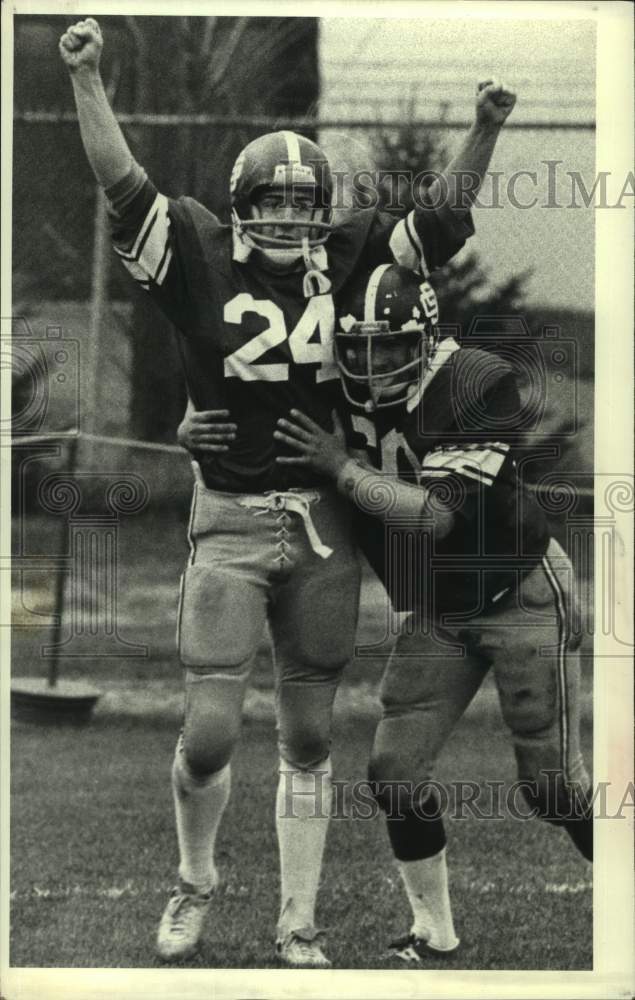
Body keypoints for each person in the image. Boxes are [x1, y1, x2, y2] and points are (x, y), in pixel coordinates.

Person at [59, 16, 517, 966]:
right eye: (269, 201)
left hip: (321, 526)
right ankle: (195, 881)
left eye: (303, 202)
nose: (286, 217)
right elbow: (120, 179)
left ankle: (296, 921)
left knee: (310, 732)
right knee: (211, 734)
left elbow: (434, 220)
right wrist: (88, 75)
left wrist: (483, 129)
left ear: (325, 209)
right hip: (227, 517)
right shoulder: (193, 248)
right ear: (239, 205)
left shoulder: (350, 253)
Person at [272, 263, 593, 963]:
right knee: (393, 770)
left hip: (518, 591)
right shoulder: (335, 387)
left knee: (550, 789)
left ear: (425, 337)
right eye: (357, 347)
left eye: (390, 346)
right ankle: (434, 931)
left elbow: (431, 517)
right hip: (439, 608)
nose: (371, 361)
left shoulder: (473, 381)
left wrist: (340, 468)